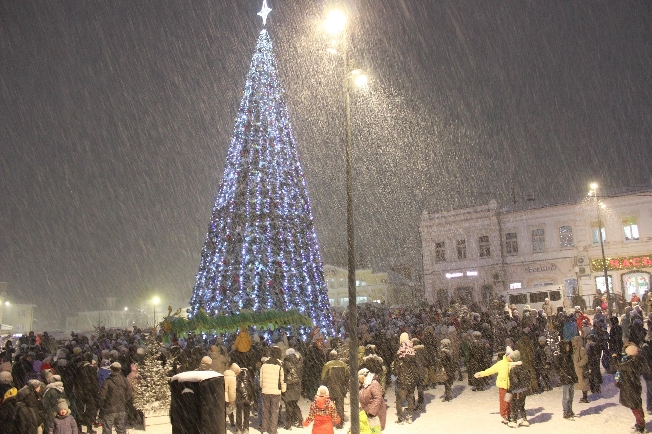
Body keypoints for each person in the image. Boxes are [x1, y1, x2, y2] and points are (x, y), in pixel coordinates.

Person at [473, 346, 513, 425]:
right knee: (504, 402)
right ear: (507, 355)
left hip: (511, 386)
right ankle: (504, 415)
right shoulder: (500, 364)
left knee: (510, 402)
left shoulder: (513, 364)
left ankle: (509, 414)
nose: (512, 358)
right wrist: (481, 374)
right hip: (503, 386)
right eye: (510, 356)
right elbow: (490, 370)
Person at [612, 343, 646, 432]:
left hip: (630, 387)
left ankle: (640, 426)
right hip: (635, 385)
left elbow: (617, 366)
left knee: (635, 407)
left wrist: (615, 358)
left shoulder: (630, 363)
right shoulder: (638, 361)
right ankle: (640, 423)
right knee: (637, 405)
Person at [392, 332, 418, 424]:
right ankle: (410, 416)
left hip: (402, 380)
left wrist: (393, 368)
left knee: (399, 400)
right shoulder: (413, 352)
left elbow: (395, 371)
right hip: (411, 380)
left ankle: (400, 418)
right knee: (410, 398)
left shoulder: (400, 353)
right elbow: (416, 367)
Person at [99, 362, 132, 434]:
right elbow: (129, 393)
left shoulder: (107, 381)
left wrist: (103, 406)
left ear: (111, 370)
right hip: (121, 408)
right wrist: (123, 401)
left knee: (107, 430)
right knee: (121, 430)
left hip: (109, 409)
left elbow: (102, 396)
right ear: (120, 370)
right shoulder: (124, 380)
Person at [260, 346, 286, 434]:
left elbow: (261, 378)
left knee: (265, 409)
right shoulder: (279, 365)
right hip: (276, 391)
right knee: (275, 411)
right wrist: (283, 389)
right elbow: (282, 379)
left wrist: (262, 386)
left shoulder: (264, 364)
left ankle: (264, 428)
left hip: (265, 390)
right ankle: (273, 429)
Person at [505, 350, 529, 427]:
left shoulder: (513, 368)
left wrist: (509, 390)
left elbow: (514, 381)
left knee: (514, 405)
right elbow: (527, 378)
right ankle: (524, 419)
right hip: (524, 389)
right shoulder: (523, 367)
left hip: (517, 390)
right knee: (522, 405)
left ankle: (514, 421)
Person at [282, 348, 303, 429]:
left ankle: (288, 424)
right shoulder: (299, 363)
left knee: (288, 405)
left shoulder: (286, 363)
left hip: (289, 386)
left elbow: (283, 375)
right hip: (297, 387)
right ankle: (299, 420)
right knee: (294, 404)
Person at [558, 340, 578, 419]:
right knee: (566, 396)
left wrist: (574, 376)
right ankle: (565, 412)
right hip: (566, 378)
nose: (568, 348)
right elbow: (558, 368)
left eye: (568, 346)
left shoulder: (570, 355)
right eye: (566, 347)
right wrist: (563, 374)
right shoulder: (560, 356)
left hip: (571, 378)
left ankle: (570, 410)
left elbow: (572, 367)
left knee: (571, 396)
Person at [235, 367, 255, 434]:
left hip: (239, 399)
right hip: (247, 398)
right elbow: (253, 389)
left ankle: (239, 428)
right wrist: (252, 398)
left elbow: (235, 390)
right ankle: (246, 428)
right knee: (246, 414)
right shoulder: (250, 380)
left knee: (239, 413)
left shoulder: (237, 380)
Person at [571, 336, 590, 403]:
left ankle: (585, 397)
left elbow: (585, 359)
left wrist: (579, 364)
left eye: (575, 341)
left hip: (581, 369)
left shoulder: (581, 349)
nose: (573, 343)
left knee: (583, 383)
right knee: (581, 383)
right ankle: (584, 396)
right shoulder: (575, 349)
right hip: (578, 369)